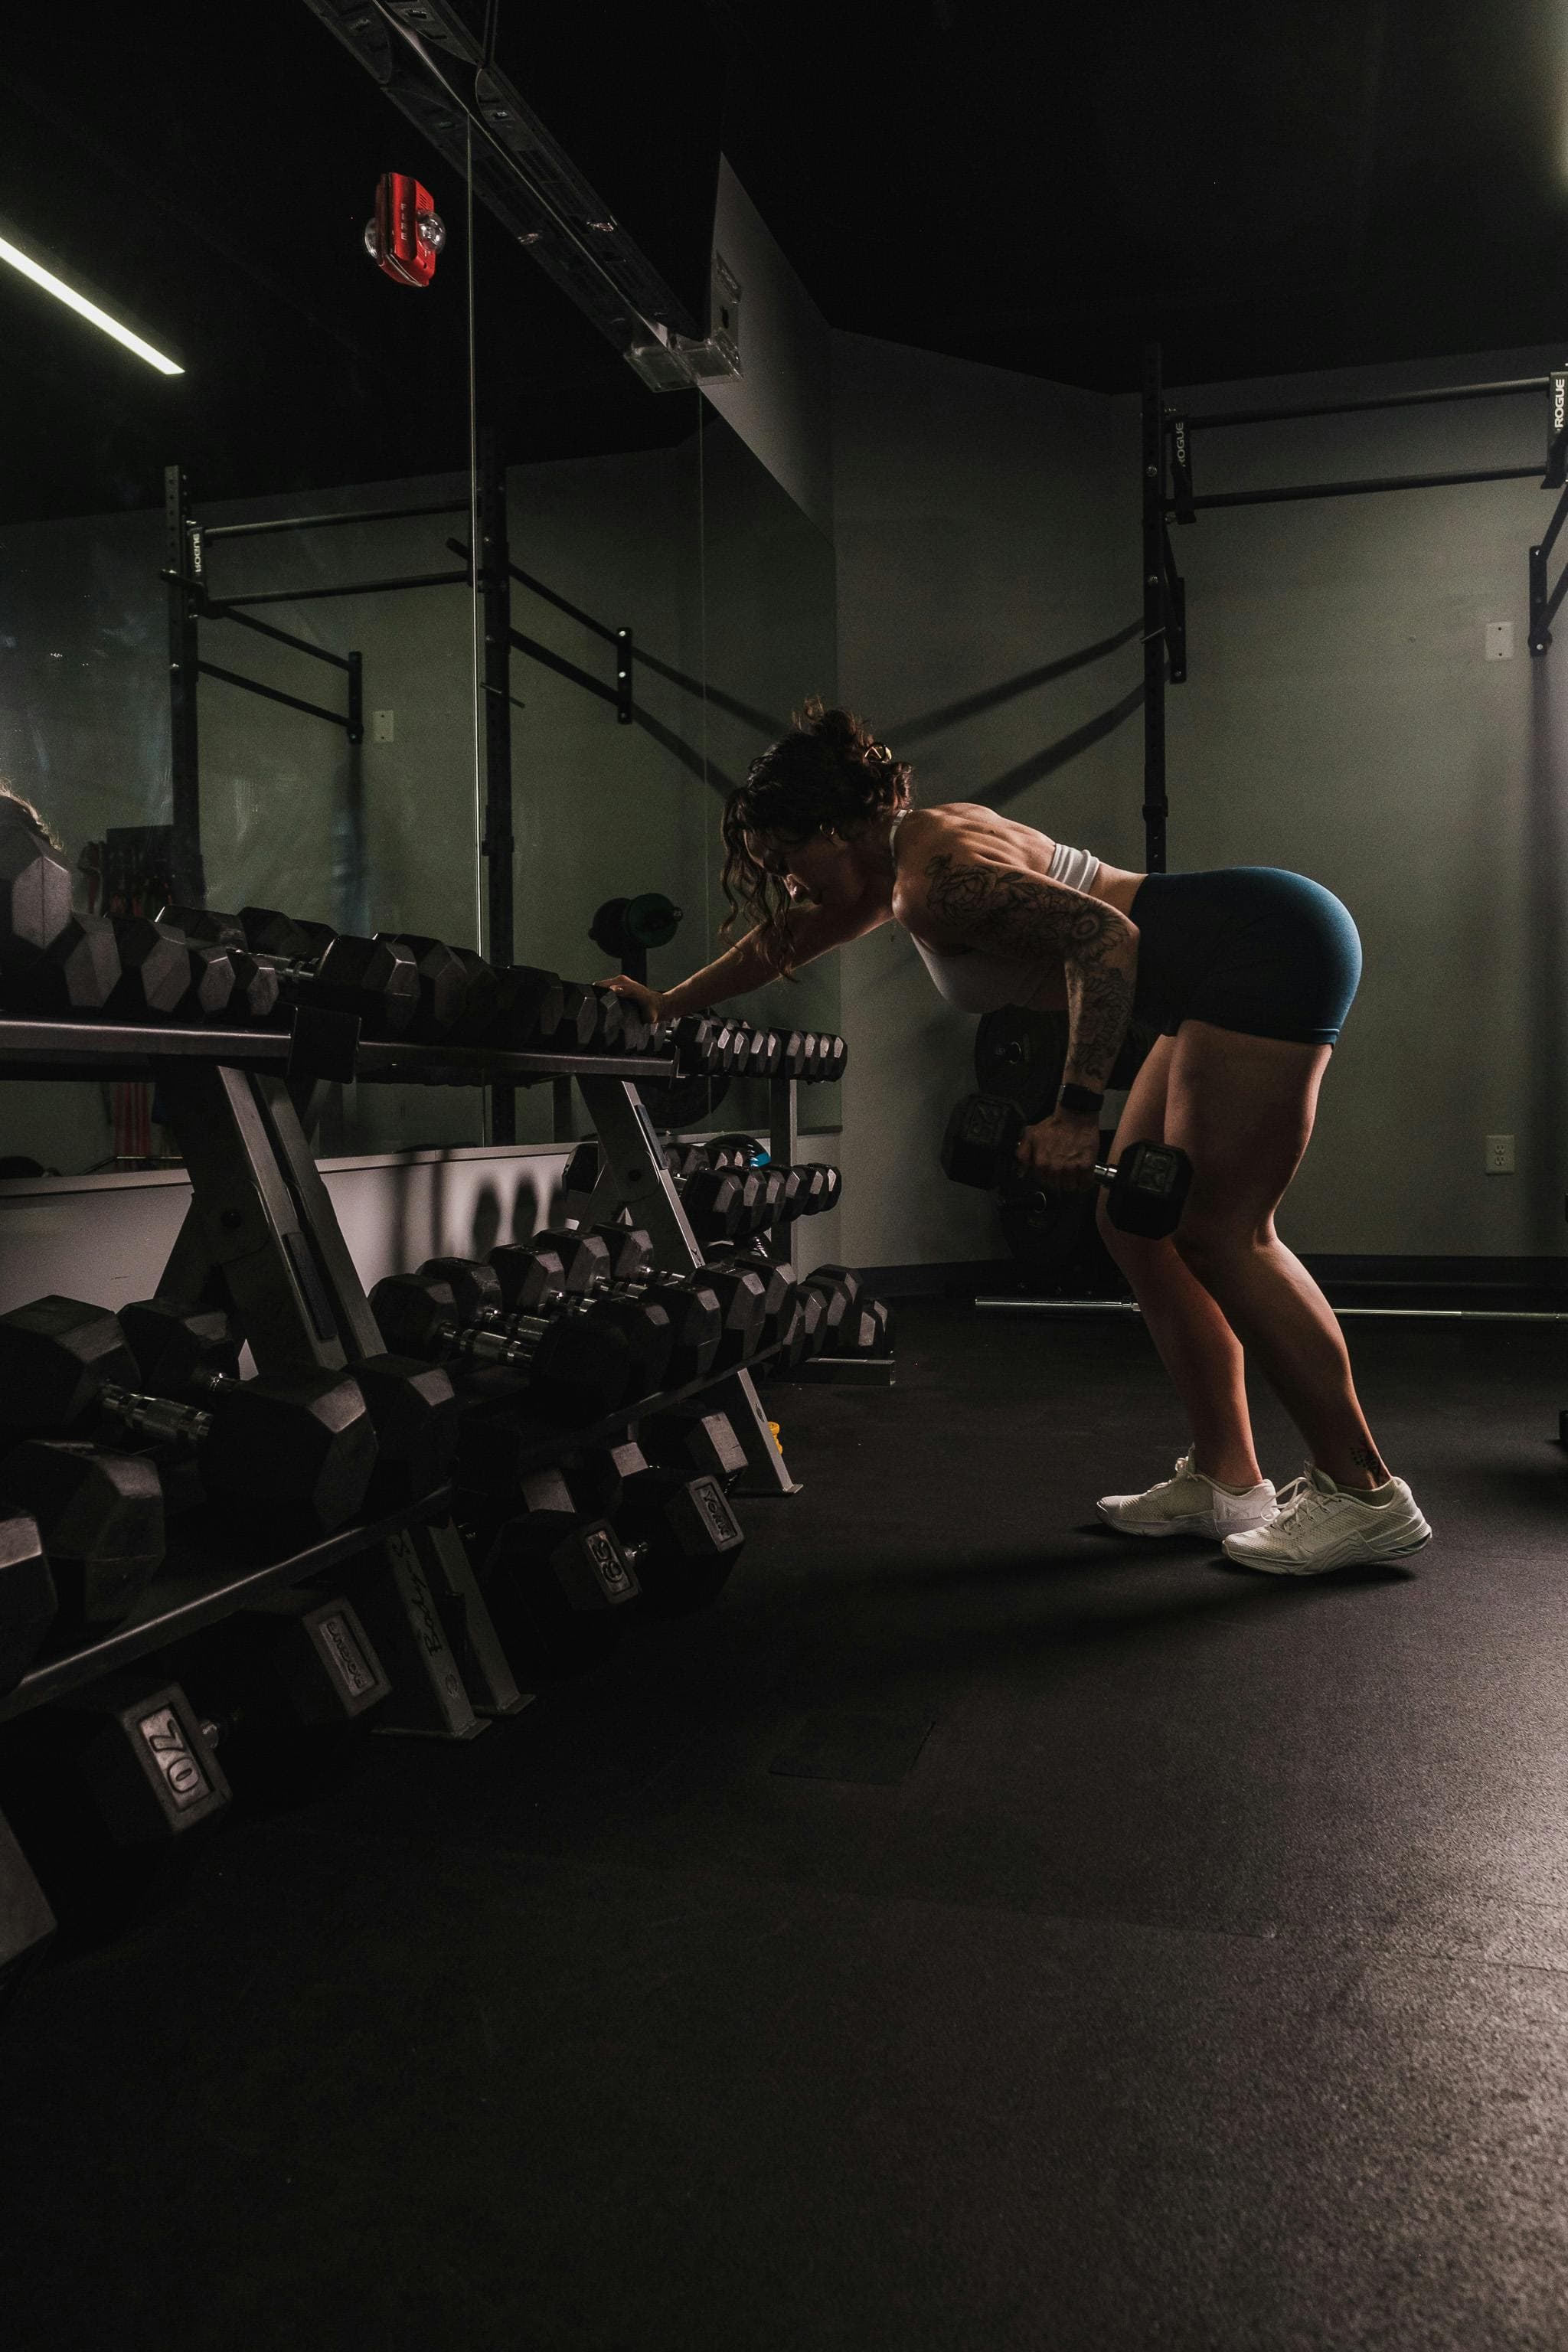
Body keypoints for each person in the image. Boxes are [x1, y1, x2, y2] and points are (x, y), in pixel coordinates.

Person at [607, 702, 1432, 1575]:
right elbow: (785, 941)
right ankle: (1228, 1480)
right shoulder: (896, 861)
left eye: (786, 862)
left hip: (1265, 948)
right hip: (1211, 973)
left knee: (1221, 1232)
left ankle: (1363, 1493)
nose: (787, 885)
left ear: (830, 830)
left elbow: (1104, 940)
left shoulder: (937, 878)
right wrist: (667, 1006)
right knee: (1133, 1224)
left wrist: (1074, 1112)